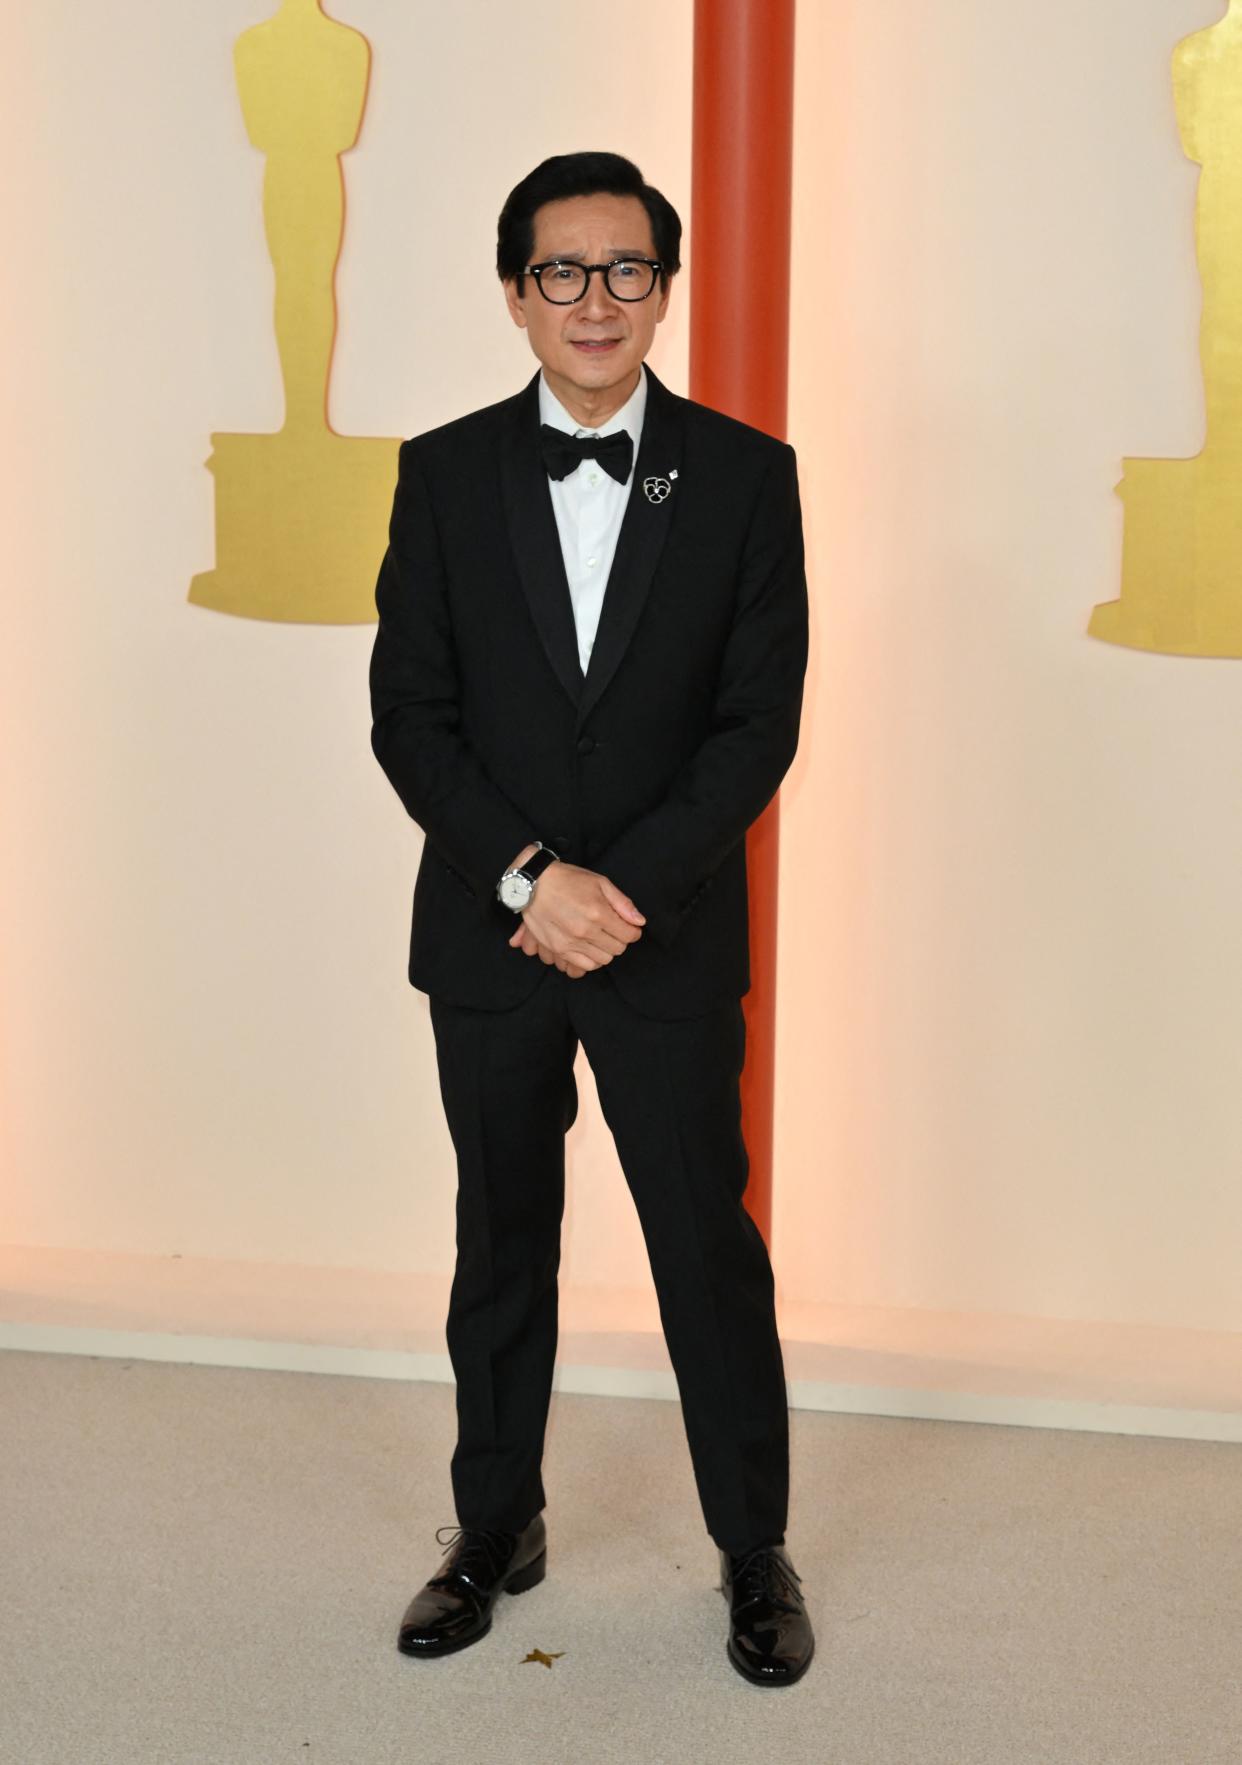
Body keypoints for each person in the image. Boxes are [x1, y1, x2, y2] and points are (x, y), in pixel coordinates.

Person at [368, 150, 813, 1687]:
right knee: (501, 1239)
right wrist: (528, 879)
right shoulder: (439, 471)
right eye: (562, 271)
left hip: (665, 932)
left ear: (662, 288)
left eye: (626, 269)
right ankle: (492, 1526)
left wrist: (621, 891)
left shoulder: (749, 474)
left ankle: (752, 1548)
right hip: (492, 936)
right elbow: (409, 715)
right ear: (513, 294)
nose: (595, 300)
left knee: (704, 1242)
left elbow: (755, 725)